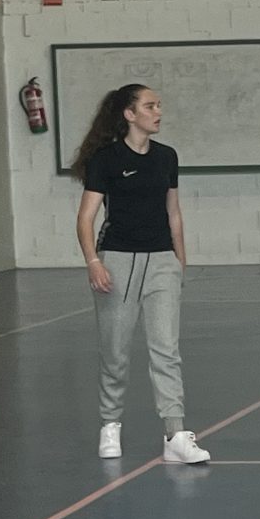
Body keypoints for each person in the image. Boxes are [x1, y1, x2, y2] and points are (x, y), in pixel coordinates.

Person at [72, 84, 210, 464]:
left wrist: (179, 261)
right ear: (129, 115)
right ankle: (110, 424)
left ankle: (175, 434)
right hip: (116, 263)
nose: (158, 112)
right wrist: (93, 262)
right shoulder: (105, 159)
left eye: (159, 105)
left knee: (166, 350)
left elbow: (173, 212)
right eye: (150, 106)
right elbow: (86, 217)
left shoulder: (167, 157)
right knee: (115, 352)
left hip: (162, 261)